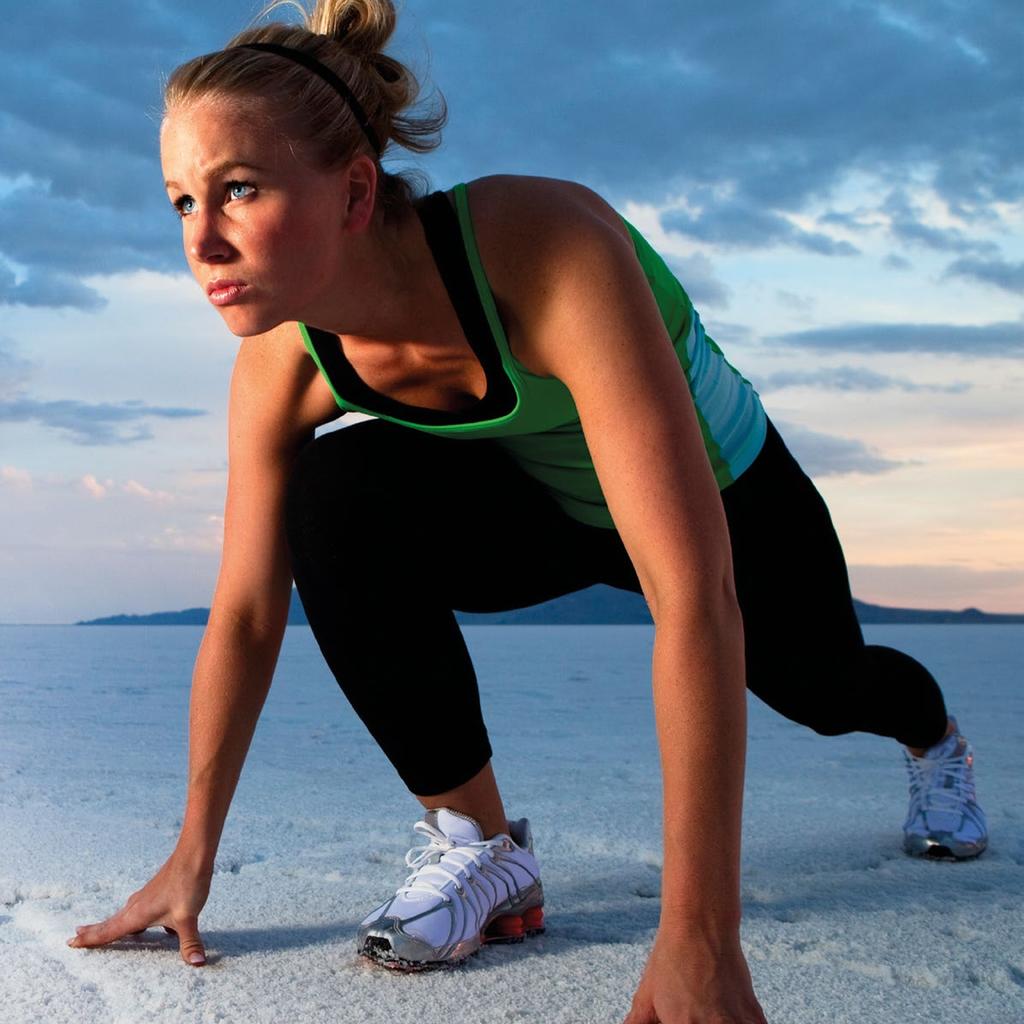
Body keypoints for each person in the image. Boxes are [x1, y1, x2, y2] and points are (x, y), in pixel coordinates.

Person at [65, 1, 988, 1020]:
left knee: (821, 684)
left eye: (239, 190)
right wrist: (191, 855)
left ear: (355, 190)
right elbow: (243, 613)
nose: (204, 239)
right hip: (542, 506)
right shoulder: (281, 363)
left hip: (724, 499)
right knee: (333, 497)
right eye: (181, 202)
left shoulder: (546, 249)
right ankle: (482, 849)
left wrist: (698, 941)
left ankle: (934, 736)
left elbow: (692, 594)